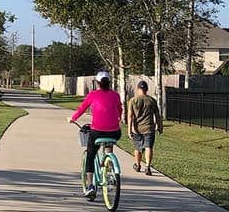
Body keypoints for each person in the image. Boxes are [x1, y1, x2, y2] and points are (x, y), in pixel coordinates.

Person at [67, 71, 122, 199]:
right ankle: (109, 167)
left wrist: (72, 118)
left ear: (96, 83)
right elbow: (119, 110)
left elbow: (82, 109)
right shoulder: (116, 95)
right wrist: (117, 118)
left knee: (91, 155)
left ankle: (90, 185)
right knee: (109, 144)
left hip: (97, 131)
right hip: (114, 131)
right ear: (109, 83)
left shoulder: (93, 95)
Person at [127, 80, 164, 175]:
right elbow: (157, 115)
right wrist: (159, 126)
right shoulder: (152, 100)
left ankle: (138, 165)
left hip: (137, 129)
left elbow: (130, 116)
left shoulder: (133, 100)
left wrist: (129, 129)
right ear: (146, 89)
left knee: (137, 148)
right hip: (149, 128)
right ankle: (147, 167)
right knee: (148, 147)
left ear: (138, 89)